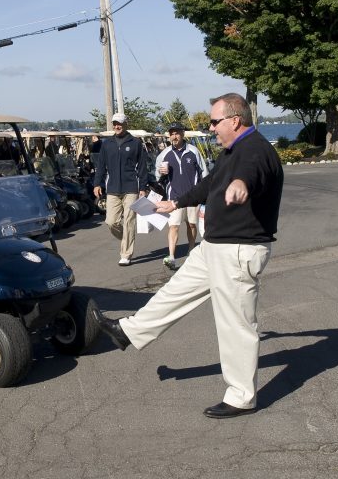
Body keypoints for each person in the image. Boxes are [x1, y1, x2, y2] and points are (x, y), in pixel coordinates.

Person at [94, 93, 283, 418]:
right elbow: (210, 183)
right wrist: (175, 203)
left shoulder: (255, 150)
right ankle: (129, 331)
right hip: (215, 246)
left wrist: (241, 184)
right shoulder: (232, 151)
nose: (211, 128)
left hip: (238, 250)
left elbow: (250, 172)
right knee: (175, 290)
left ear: (235, 120)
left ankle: (241, 397)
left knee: (236, 325)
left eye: (214, 122)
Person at [92, 112, 148, 266]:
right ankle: (127, 238)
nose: (117, 126)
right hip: (113, 188)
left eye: (120, 124)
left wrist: (143, 187)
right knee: (111, 222)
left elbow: (142, 167)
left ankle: (126, 254)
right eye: (115, 124)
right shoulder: (107, 144)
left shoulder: (135, 143)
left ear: (125, 124)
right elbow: (101, 166)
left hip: (131, 188)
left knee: (129, 221)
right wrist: (97, 184)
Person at [154, 123, 208, 271]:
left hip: (193, 197)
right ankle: (171, 256)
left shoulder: (193, 151)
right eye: (171, 133)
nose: (174, 136)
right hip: (174, 197)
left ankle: (191, 251)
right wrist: (161, 173)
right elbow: (157, 176)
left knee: (191, 225)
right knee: (173, 226)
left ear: (183, 134)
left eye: (177, 133)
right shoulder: (164, 154)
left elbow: (204, 173)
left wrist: (205, 193)